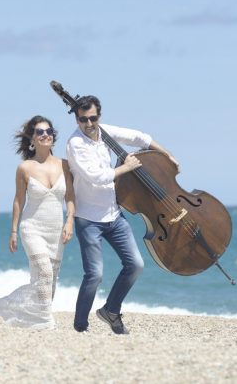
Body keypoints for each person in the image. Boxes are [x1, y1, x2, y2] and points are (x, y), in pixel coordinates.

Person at [67, 95, 178, 334]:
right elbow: (95, 177)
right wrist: (126, 167)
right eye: (83, 119)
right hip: (88, 219)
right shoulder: (75, 144)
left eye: (93, 118)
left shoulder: (104, 131)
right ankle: (80, 326)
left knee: (135, 265)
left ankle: (111, 311)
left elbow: (140, 138)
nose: (88, 124)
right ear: (76, 119)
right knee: (94, 275)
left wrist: (166, 155)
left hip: (113, 214)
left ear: (99, 116)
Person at [0, 116, 75, 330]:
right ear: (32, 138)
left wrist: (70, 222)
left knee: (50, 278)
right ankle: (46, 321)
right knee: (45, 273)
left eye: (48, 131)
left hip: (57, 230)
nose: (45, 134)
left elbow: (70, 198)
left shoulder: (65, 165)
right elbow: (18, 200)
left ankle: (33, 317)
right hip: (32, 228)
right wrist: (12, 231)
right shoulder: (25, 168)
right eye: (40, 132)